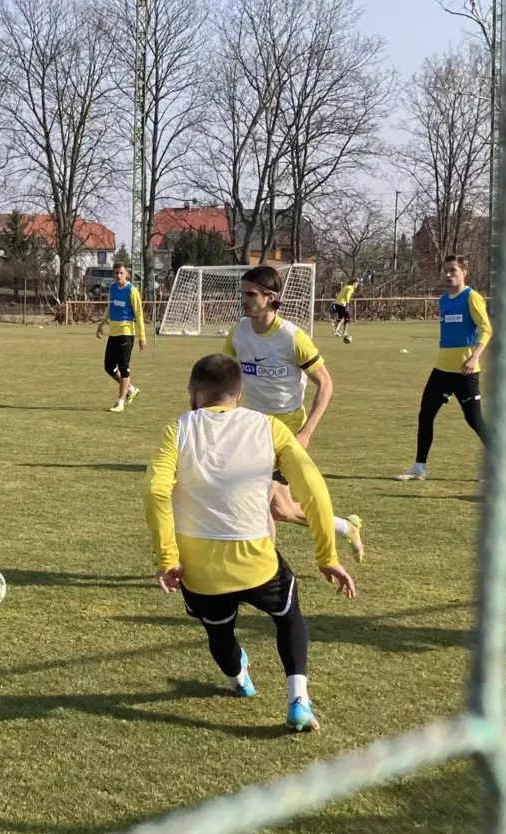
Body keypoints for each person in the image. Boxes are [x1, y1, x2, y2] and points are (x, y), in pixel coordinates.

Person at [145, 352, 356, 731]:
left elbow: (155, 491)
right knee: (288, 615)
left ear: (195, 393)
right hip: (256, 562)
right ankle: (299, 701)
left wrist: (167, 558)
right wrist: (327, 556)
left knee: (219, 632)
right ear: (238, 394)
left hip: (201, 571)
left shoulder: (177, 429)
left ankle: (239, 678)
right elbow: (313, 490)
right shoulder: (269, 427)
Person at [221, 265, 365, 559]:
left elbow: (325, 384)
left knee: (258, 503)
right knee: (282, 510)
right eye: (242, 294)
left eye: (251, 294)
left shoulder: (292, 338)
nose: (244, 300)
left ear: (270, 297)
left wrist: (306, 432)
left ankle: (267, 571)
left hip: (286, 431)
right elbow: (226, 380)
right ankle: (345, 527)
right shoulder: (238, 333)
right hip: (254, 430)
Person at [394, 254, 490, 481]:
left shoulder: (472, 297)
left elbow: (486, 329)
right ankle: (419, 467)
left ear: (464, 272)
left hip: (466, 372)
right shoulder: (444, 300)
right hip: (442, 370)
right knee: (425, 415)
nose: (448, 274)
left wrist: (474, 357)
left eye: (453, 270)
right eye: (445, 270)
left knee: (474, 420)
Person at [96, 262, 147, 412]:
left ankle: (120, 402)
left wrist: (142, 336)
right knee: (109, 367)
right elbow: (110, 307)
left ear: (126, 274)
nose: (118, 276)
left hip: (126, 333)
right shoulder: (112, 288)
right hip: (113, 333)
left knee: (124, 368)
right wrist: (102, 323)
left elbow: (139, 315)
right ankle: (131, 389)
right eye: (116, 273)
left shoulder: (132, 291)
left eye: (121, 273)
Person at [330, 277, 358, 343]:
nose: (357, 285)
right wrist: (347, 304)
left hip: (337, 303)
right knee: (347, 317)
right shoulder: (351, 288)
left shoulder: (346, 286)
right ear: (354, 283)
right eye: (357, 284)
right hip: (342, 304)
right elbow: (347, 296)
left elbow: (340, 294)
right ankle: (344, 332)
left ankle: (336, 330)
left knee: (341, 317)